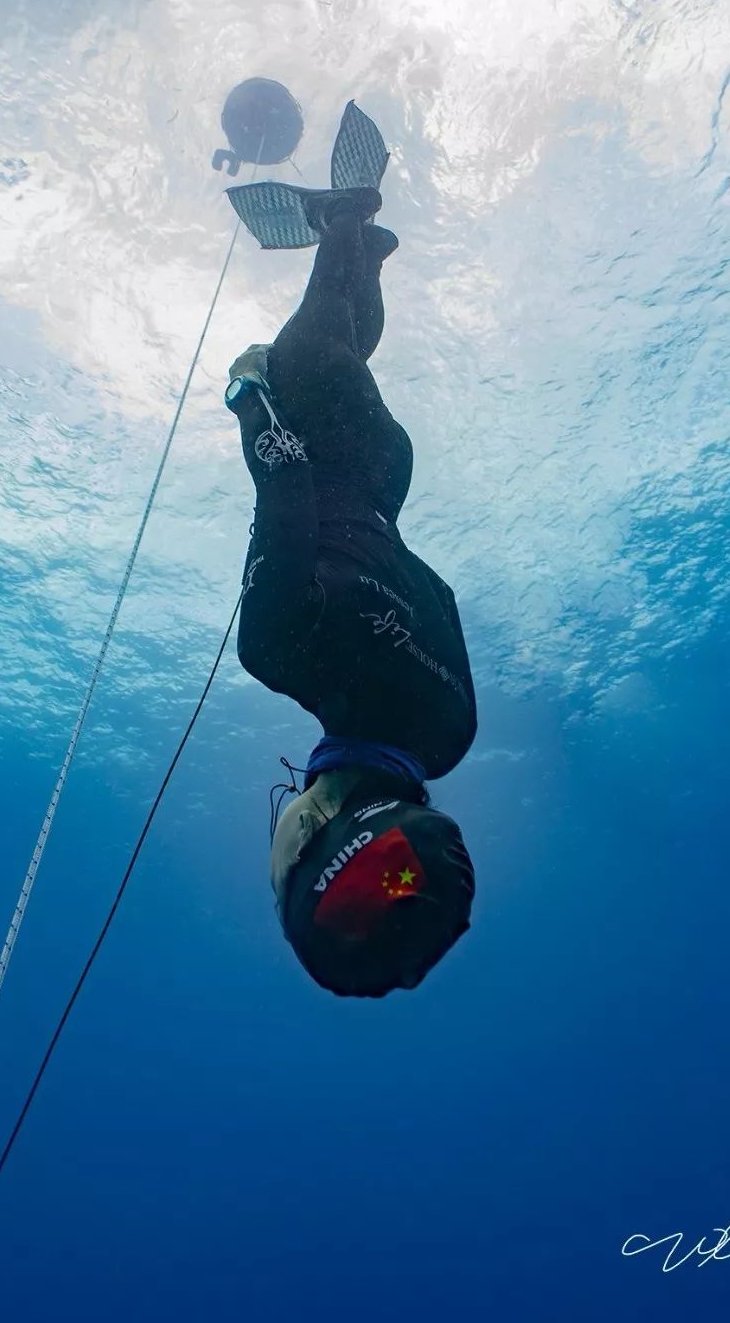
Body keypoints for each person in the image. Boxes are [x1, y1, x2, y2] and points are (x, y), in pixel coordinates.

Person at [226, 166, 478, 998]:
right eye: (276, 872)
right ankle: (345, 217)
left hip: (386, 477)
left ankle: (364, 254)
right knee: (308, 352)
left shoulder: (451, 732)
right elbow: (282, 486)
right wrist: (251, 398)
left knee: (340, 345)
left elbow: (436, 595)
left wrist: (371, 560)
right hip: (329, 447)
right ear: (310, 830)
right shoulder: (278, 649)